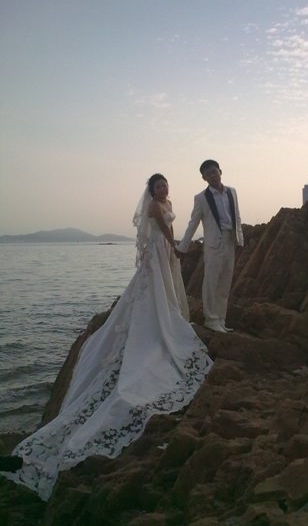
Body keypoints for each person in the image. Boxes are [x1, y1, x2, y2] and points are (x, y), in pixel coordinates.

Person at [0, 174, 212, 501]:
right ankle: (159, 324)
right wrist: (175, 249)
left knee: (163, 291)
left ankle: (166, 316)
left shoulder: (167, 202)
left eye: (165, 185)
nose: (163, 189)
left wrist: (174, 250)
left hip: (163, 251)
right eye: (158, 186)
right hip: (159, 250)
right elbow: (163, 231)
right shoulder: (155, 207)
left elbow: (168, 229)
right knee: (153, 292)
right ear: (151, 191)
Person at [177, 160, 243, 333]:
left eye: (214, 172)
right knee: (211, 282)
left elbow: (237, 216)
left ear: (220, 171)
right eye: (208, 174)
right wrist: (182, 247)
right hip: (214, 244)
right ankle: (211, 319)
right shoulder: (201, 198)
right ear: (204, 178)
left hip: (230, 240)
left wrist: (240, 239)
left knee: (225, 282)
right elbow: (193, 223)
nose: (212, 176)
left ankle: (221, 319)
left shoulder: (232, 192)